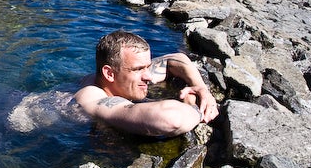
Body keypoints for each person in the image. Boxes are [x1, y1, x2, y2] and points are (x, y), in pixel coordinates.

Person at [74, 30, 219, 137]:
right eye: (138, 69)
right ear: (109, 73)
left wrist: (200, 88)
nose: (148, 76)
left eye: (147, 67)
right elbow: (171, 119)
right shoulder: (91, 97)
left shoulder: (120, 76)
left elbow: (176, 58)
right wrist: (194, 106)